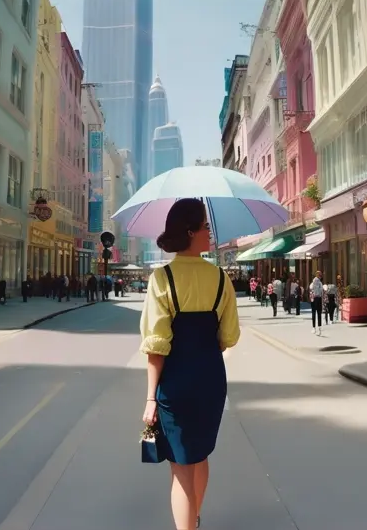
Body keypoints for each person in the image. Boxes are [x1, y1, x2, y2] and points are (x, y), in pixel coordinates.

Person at [140, 198, 240, 530]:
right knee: (200, 455)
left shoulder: (162, 279)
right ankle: (194, 517)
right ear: (190, 231)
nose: (209, 232)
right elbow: (229, 336)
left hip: (176, 382)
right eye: (205, 226)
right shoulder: (221, 279)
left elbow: (156, 347)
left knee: (181, 467)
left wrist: (151, 398)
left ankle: (189, 524)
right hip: (211, 379)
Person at [310, 270, 324, 335]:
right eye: (320, 275)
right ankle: (319, 328)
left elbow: (311, 289)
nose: (321, 276)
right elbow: (321, 291)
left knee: (314, 313)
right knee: (318, 313)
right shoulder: (319, 282)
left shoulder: (313, 282)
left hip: (314, 298)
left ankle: (314, 328)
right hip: (318, 298)